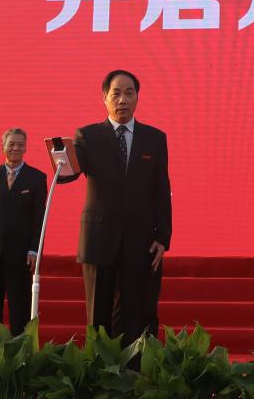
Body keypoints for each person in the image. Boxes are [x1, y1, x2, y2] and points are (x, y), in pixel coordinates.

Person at [59, 70, 172, 346]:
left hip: (140, 241)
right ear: (105, 98)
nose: (123, 100)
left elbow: (161, 190)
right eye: (116, 94)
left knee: (136, 316)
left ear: (137, 98)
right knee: (98, 316)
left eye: (129, 93)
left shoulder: (154, 138)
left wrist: (162, 237)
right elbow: (69, 172)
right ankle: (98, 368)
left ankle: (134, 369)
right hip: (99, 239)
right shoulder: (87, 136)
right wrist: (61, 159)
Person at [0, 128, 48, 337]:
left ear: (26, 147)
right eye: (11, 144)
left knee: (20, 309)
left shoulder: (36, 178)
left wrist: (34, 250)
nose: (16, 148)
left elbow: (38, 220)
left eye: (20, 144)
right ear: (3, 147)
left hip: (21, 255)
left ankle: (19, 351)